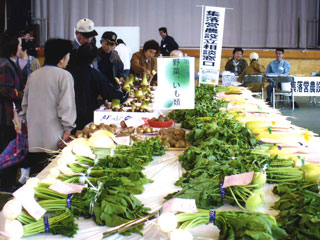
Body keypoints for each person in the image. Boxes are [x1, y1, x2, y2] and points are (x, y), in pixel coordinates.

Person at [20, 39, 76, 175]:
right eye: (68, 55)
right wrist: (68, 129)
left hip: (34, 135)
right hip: (55, 135)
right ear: (62, 57)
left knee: (36, 173)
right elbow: (66, 105)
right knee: (51, 174)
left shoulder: (34, 75)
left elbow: (25, 104)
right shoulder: (64, 76)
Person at [67, 43, 128, 131]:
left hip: (67, 114)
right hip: (86, 114)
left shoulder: (66, 72)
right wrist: (124, 94)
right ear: (93, 60)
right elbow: (110, 94)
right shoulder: (94, 74)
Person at [0, 32, 24, 191]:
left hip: (8, 115)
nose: (21, 47)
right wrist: (20, 94)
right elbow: (4, 90)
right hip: (5, 115)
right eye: (19, 44)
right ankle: (6, 183)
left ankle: (9, 181)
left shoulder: (8, 62)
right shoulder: (4, 64)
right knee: (7, 147)